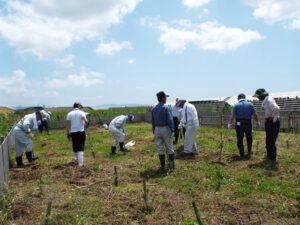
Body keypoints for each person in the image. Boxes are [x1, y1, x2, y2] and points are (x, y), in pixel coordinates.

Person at [228, 93, 260, 158]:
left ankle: (241, 154)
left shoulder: (236, 105)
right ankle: (249, 151)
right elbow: (255, 114)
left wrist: (230, 123)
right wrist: (257, 121)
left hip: (239, 123)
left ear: (238, 98)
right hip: (248, 123)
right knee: (249, 137)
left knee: (240, 138)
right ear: (245, 98)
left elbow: (233, 115)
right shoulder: (250, 104)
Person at [253, 88, 280, 161]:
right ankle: (269, 156)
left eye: (258, 96)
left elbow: (277, 108)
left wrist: (273, 119)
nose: (257, 98)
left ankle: (272, 158)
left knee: (271, 140)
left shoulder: (269, 100)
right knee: (268, 140)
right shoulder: (265, 100)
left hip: (272, 122)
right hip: (269, 120)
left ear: (262, 96)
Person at [152, 91, 176, 170]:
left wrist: (154, 131)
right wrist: (172, 130)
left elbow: (153, 122)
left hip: (157, 129)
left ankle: (162, 166)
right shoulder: (166, 108)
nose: (166, 99)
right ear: (162, 98)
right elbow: (170, 119)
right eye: (165, 97)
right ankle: (172, 166)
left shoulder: (154, 109)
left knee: (160, 148)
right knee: (169, 147)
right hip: (165, 128)